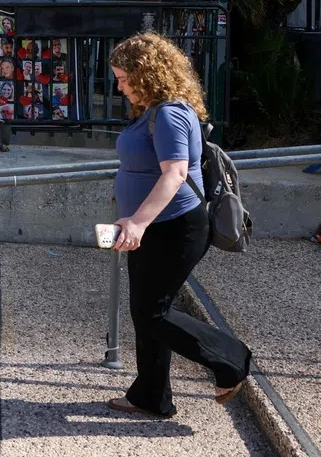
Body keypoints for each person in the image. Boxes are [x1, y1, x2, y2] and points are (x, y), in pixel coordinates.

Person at [107, 33, 251, 419]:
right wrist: (132, 218)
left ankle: (231, 358)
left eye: (123, 78)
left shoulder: (169, 113)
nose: (119, 86)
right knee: (148, 311)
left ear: (147, 73)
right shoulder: (151, 110)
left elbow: (174, 175)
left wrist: (137, 221)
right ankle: (150, 396)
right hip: (152, 225)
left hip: (174, 226)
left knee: (152, 312)